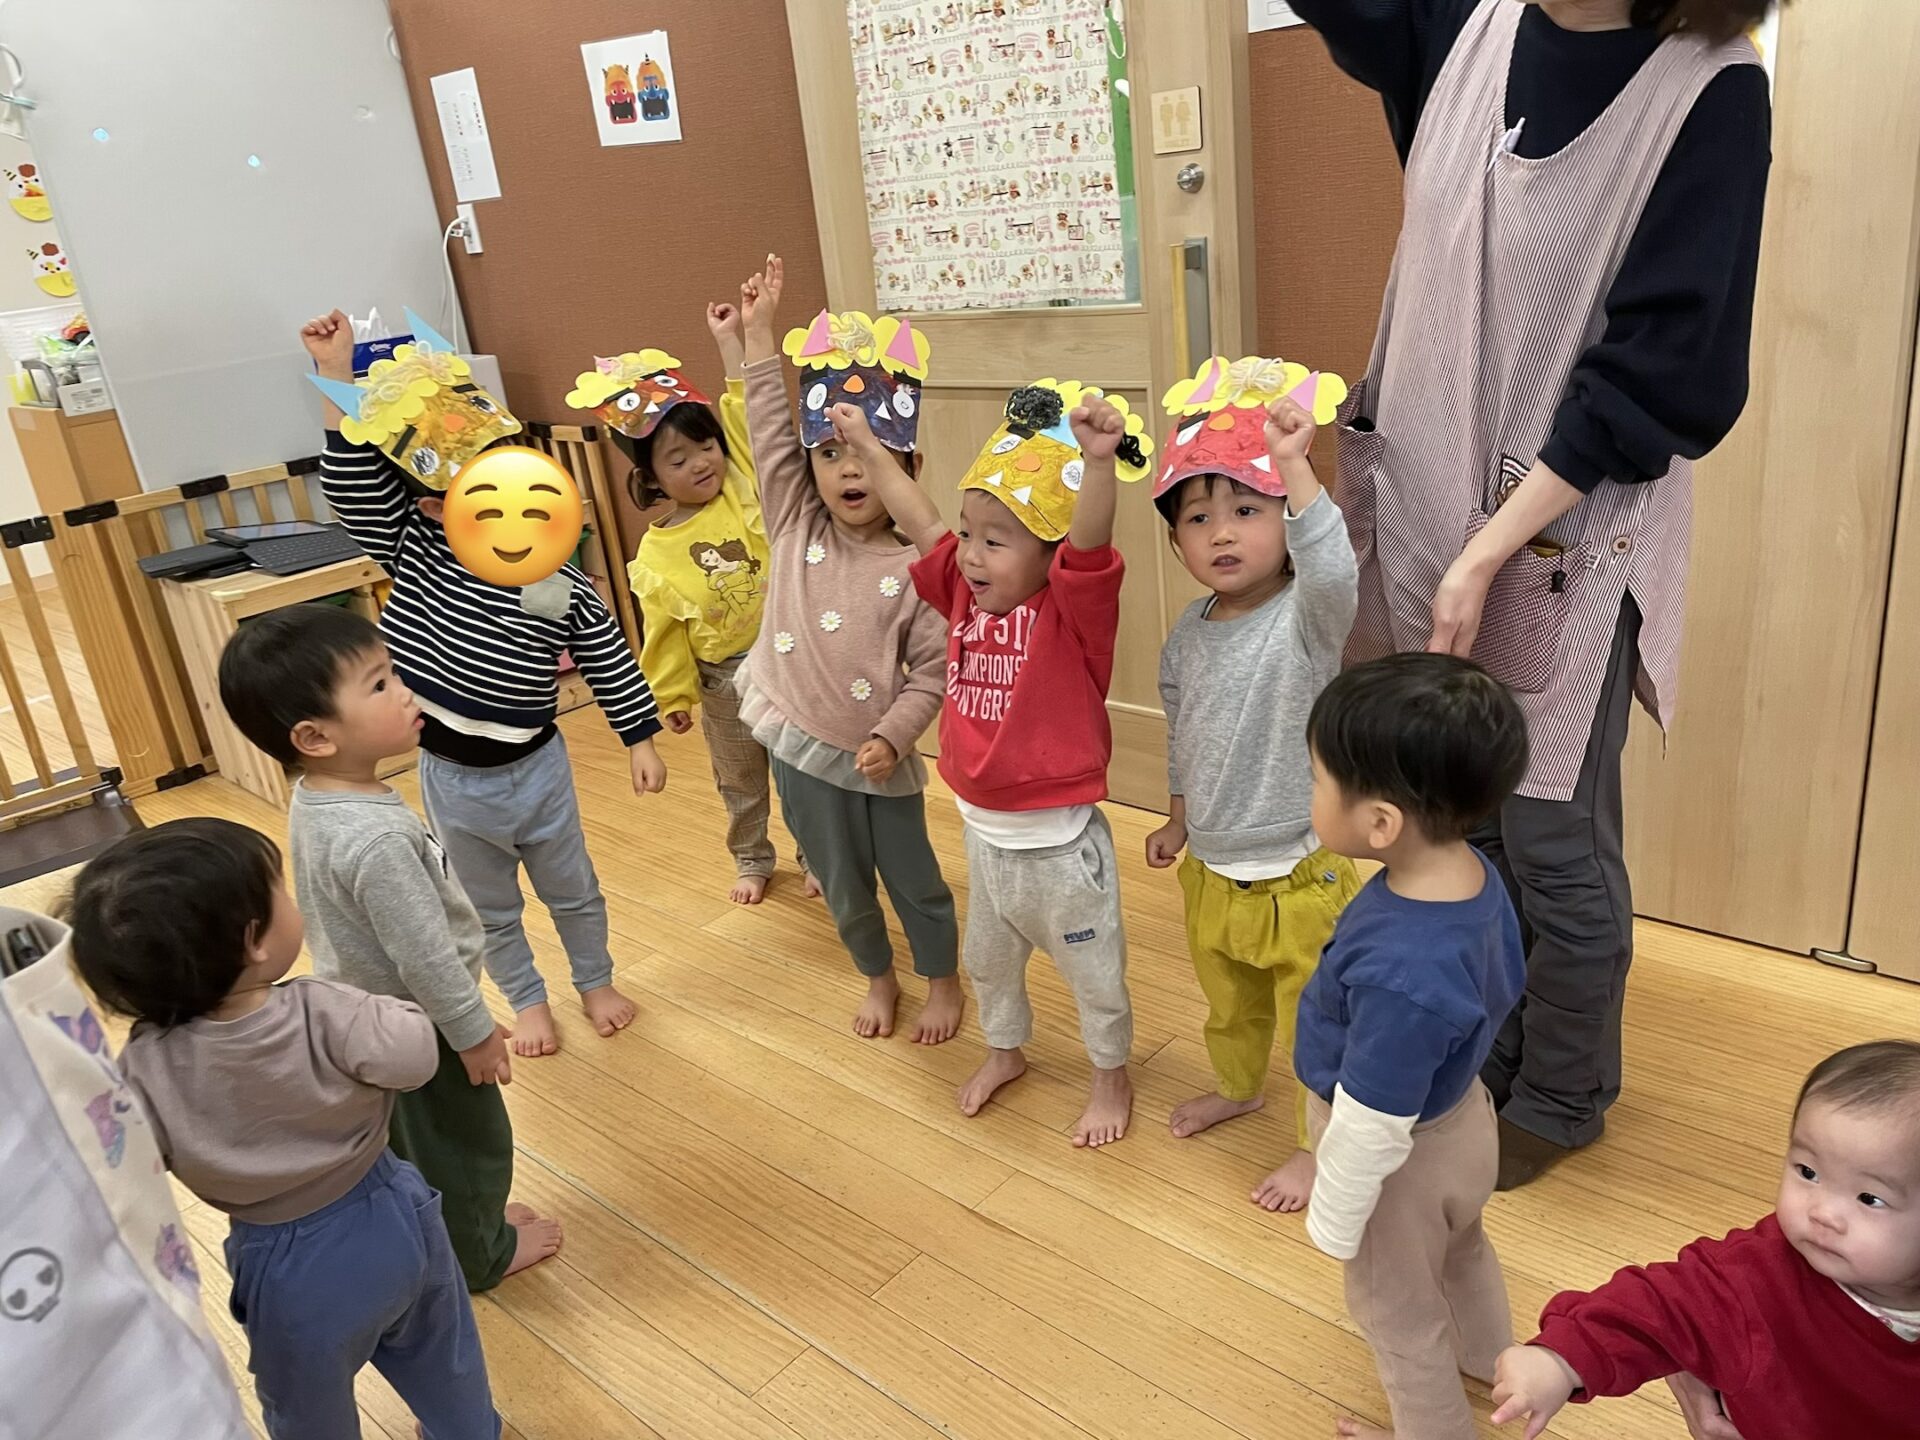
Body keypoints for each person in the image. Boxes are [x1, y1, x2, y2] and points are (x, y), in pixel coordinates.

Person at [1287, 0, 1775, 1192]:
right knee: (1470, 821)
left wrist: (1492, 549)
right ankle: (1492, 1047)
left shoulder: (1710, 89)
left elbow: (1666, 377)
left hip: (1562, 529)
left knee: (1553, 835)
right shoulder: (1464, 24)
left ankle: (1562, 1093)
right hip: (1428, 503)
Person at [301, 308, 661, 1059]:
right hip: (452, 779)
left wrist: (639, 738)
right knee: (486, 908)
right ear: (435, 507)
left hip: (540, 769)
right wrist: (335, 375)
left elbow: (606, 651)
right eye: (479, 497)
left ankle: (594, 981)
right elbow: (357, 491)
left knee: (573, 890)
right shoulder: (415, 550)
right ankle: (528, 1001)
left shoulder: (555, 577)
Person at [69, 819, 499, 1440]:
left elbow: (134, 1161)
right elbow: (414, 1058)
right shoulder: (322, 1008)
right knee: (442, 1351)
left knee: (306, 1399)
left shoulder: (143, 1064)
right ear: (254, 942)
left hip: (282, 1258)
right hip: (391, 1211)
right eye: (280, 889)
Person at [218, 603, 561, 1291]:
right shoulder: (376, 839)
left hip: (369, 1014)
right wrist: (469, 1033)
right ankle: (481, 1253)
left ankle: (467, 1226)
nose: (405, 691)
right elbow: (423, 955)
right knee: (469, 1142)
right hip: (414, 1025)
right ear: (316, 736)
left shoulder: (320, 796)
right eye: (378, 685)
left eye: (394, 673)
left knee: (422, 1144)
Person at [868, 377, 1155, 1147]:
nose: (971, 554)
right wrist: (869, 449)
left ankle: (1110, 1075)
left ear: (1049, 555)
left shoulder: (1072, 613)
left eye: (996, 541)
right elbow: (921, 520)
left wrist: (1099, 463)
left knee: (1095, 979)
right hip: (986, 844)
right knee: (988, 966)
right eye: (971, 534)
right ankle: (1005, 1051)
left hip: (1061, 857)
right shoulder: (962, 596)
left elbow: (1090, 545)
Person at [1294, 653, 1529, 1440]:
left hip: (1399, 1163)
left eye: (1318, 779)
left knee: (1398, 1315)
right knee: (1464, 1251)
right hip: (1463, 1122)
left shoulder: (1402, 971)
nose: (1310, 791)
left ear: (1381, 824)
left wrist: (1336, 1216)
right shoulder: (1471, 874)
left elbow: (1371, 1119)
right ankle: (1491, 1358)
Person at [1144, 358, 1361, 1208]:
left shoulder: (1308, 616)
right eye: (1198, 518)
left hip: (1301, 873)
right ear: (1176, 543)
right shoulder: (1187, 632)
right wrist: (1177, 819)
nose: (1222, 533)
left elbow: (1335, 571)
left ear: (1283, 521)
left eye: (1247, 509)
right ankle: (1239, 1087)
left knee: (1317, 1020)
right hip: (1213, 869)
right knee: (1229, 1004)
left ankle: (1318, 1146)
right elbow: (1183, 731)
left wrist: (1297, 467)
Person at [730, 257, 962, 1043]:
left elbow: (933, 674)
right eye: (830, 453)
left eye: (871, 454)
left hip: (878, 760)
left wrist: (893, 736)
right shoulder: (795, 519)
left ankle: (942, 977)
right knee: (839, 882)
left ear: (910, 469)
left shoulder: (923, 568)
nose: (850, 469)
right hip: (798, 744)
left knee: (915, 879)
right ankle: (876, 975)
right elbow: (769, 436)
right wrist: (759, 337)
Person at [1491, 1041, 1920, 1439]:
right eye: (1808, 1172)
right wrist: (1561, 1359)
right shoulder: (1754, 1273)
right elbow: (1657, 1307)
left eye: (1870, 1198)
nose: (1822, 1212)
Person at [566, 309, 785, 905]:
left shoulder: (740, 485)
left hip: (787, 658)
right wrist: (673, 696)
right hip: (724, 682)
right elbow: (662, 634)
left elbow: (748, 414)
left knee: (802, 774)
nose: (701, 462)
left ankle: (817, 855)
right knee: (741, 780)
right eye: (678, 459)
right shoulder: (655, 555)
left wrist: (729, 343)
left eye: (705, 446)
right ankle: (752, 857)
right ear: (653, 478)